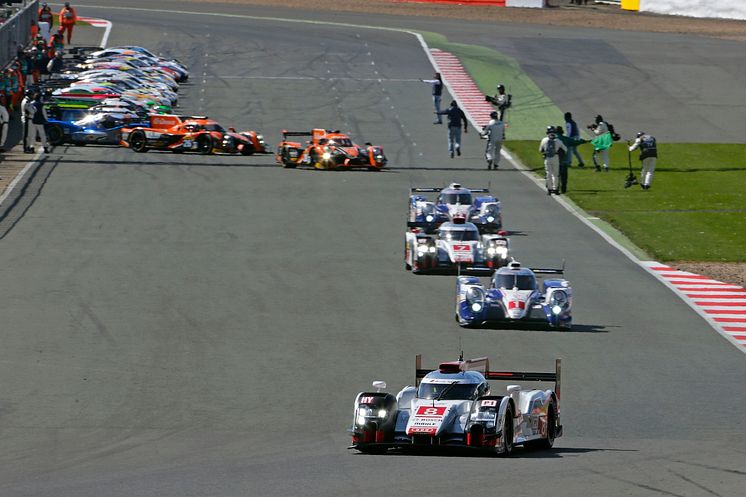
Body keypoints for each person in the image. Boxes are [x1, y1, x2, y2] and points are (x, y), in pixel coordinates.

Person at [555, 126, 586, 193]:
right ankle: (563, 188)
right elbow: (575, 142)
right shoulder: (566, 139)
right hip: (564, 161)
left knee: (555, 175)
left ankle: (556, 188)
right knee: (564, 176)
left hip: (554, 161)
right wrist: (582, 141)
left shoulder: (552, 139)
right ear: (562, 132)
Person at [539, 126, 566, 195]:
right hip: (556, 157)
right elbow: (565, 149)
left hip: (547, 158)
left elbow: (540, 150)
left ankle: (549, 189)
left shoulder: (544, 140)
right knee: (555, 174)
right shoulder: (558, 140)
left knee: (548, 173)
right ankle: (555, 188)